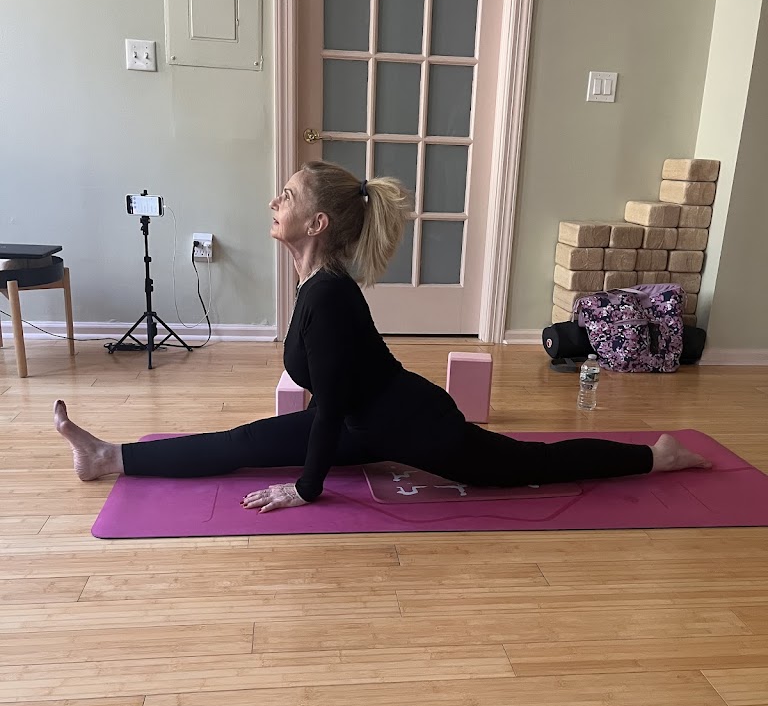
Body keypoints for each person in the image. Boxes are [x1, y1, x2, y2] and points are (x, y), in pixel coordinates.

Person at [54, 160, 711, 513]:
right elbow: (330, 404)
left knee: (522, 467)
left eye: (287, 196)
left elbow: (329, 407)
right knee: (241, 444)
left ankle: (656, 456)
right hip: (359, 426)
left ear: (316, 223)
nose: (274, 203)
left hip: (417, 426)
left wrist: (306, 488)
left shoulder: (330, 295)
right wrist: (311, 462)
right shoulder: (316, 286)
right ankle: (108, 456)